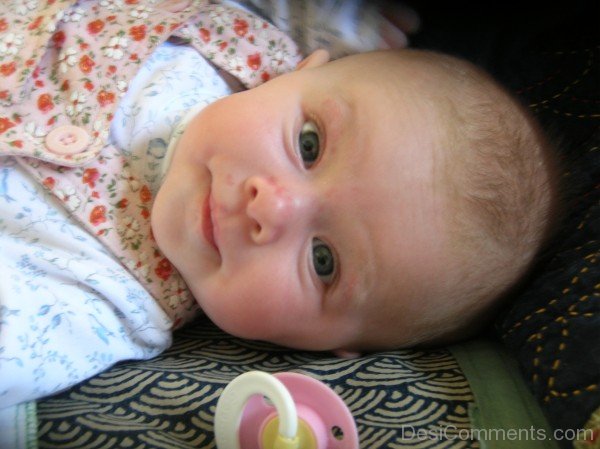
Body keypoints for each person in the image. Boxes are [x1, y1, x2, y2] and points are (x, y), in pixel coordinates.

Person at [0, 0, 558, 409]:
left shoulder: (108, 309)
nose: (275, 207)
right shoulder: (248, 42)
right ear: (303, 69)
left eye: (324, 262)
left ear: (332, 349)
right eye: (309, 145)